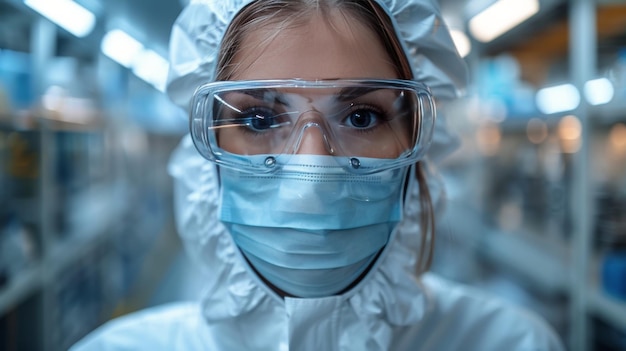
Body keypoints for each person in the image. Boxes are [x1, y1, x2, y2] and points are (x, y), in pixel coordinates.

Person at [71, 0, 565, 350]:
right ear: (206, 156)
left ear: (418, 147)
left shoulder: (511, 343)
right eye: (259, 120)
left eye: (362, 117)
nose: (311, 180)